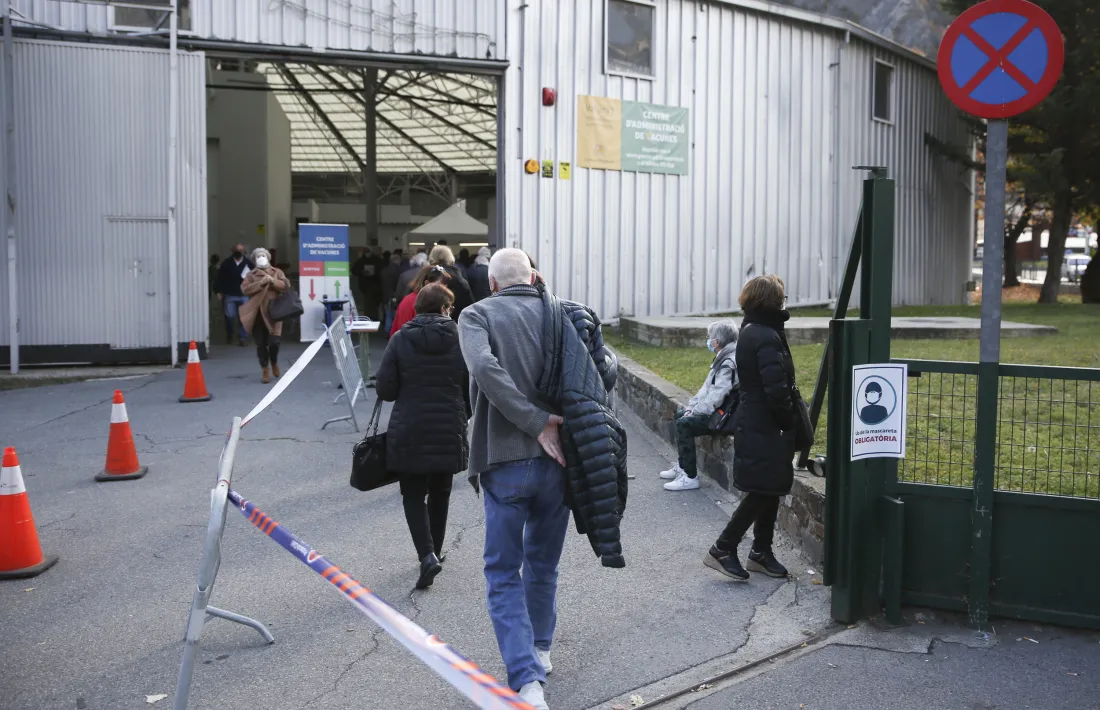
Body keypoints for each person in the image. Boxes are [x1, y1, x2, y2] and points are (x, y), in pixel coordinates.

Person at [458, 249, 624, 710]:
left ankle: (526, 678)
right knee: (543, 564)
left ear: (491, 284)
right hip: (561, 462)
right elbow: (601, 372)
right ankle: (540, 650)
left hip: (505, 459)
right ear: (533, 277)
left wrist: (533, 421)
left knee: (502, 571)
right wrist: (549, 424)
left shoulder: (475, 315)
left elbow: (485, 371)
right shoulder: (562, 313)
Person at [375, 282, 470, 590]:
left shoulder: (401, 339)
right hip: (447, 428)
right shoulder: (461, 338)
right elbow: (472, 384)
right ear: (444, 309)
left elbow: (386, 390)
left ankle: (426, 555)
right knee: (441, 492)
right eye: (450, 307)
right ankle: (437, 551)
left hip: (410, 428)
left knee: (413, 495)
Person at [705, 274, 794, 582]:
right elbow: (775, 389)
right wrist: (789, 421)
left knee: (769, 487)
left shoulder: (753, 330)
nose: (784, 302)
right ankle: (723, 548)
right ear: (771, 301)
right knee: (761, 490)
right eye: (781, 297)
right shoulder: (765, 335)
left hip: (756, 421)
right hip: (764, 423)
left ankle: (760, 551)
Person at [659, 321, 739, 492]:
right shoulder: (723, 357)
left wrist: (695, 412)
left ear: (716, 342)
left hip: (725, 416)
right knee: (681, 415)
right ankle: (682, 465)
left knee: (684, 424)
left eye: (710, 338)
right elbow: (706, 389)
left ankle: (689, 476)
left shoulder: (729, 362)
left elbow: (716, 396)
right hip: (718, 410)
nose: (708, 341)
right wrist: (691, 408)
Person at [239, 248, 292, 384]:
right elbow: (245, 289)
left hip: (274, 313)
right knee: (261, 344)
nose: (261, 257)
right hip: (258, 314)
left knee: (274, 342)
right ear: (254, 259)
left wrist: (273, 282)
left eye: (263, 255)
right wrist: (260, 283)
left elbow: (286, 285)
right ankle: (265, 369)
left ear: (268, 258)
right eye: (258, 256)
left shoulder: (277, 272)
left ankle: (274, 362)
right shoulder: (251, 275)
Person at [213, 243, 253, 346]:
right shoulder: (226, 263)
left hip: (244, 295)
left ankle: (243, 337)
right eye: (237, 249)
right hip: (230, 294)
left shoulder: (248, 264)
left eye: (241, 249)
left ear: (244, 251)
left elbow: (254, 278)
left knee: (243, 317)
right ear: (232, 250)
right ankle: (230, 333)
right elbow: (219, 278)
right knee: (230, 317)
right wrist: (218, 291)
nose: (239, 251)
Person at [390, 265, 448, 337]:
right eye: (440, 285)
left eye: (446, 286)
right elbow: (404, 334)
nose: (445, 289)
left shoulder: (436, 301)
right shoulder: (409, 302)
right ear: (427, 283)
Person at [428, 245, 474, 321]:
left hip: (434, 322)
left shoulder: (430, 276)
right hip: (458, 322)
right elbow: (469, 302)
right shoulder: (460, 276)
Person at [351, 247, 383, 319]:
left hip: (371, 285)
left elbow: (381, 270)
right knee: (370, 304)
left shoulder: (362, 260)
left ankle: (370, 318)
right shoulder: (376, 260)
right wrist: (361, 272)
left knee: (370, 304)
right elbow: (354, 271)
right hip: (370, 286)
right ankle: (371, 318)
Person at [380, 253, 404, 334]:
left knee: (388, 314)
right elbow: (398, 285)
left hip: (385, 296)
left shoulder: (384, 270)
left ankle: (388, 330)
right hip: (395, 296)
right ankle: (395, 331)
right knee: (396, 315)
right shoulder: (400, 270)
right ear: (398, 260)